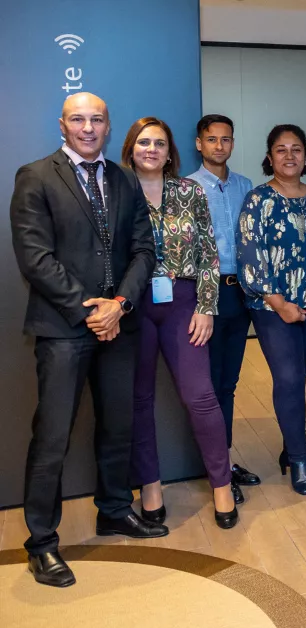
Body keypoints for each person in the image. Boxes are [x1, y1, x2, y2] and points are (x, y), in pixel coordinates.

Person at [10, 93, 168, 588]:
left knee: (117, 426)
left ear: (107, 125)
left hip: (120, 324)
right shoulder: (35, 176)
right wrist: (92, 309)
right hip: (63, 330)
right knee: (52, 437)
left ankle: (115, 510)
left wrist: (118, 304)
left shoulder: (122, 179)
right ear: (62, 124)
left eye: (97, 119)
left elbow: (145, 249)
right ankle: (41, 543)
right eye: (78, 118)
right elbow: (35, 258)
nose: (88, 127)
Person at [122, 117, 239, 529]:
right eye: (143, 142)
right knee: (138, 401)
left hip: (184, 303)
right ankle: (150, 488)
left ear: (171, 152)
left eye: (159, 143)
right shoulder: (116, 192)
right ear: (131, 149)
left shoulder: (189, 192)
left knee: (201, 398)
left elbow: (208, 252)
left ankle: (221, 486)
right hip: (133, 307)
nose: (151, 149)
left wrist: (207, 306)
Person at [238, 124, 306, 495]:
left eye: (297, 149)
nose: (290, 155)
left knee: (299, 378)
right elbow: (250, 254)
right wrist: (279, 304)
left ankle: (290, 450)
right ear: (269, 157)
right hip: (272, 307)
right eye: (281, 150)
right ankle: (299, 459)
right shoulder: (257, 199)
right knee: (289, 380)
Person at [188, 114, 259, 503]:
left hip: (241, 294)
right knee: (209, 387)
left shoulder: (246, 186)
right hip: (206, 295)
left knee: (229, 384)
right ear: (199, 144)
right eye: (211, 140)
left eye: (226, 140)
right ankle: (214, 469)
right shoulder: (184, 188)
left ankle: (225, 462)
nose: (219, 146)